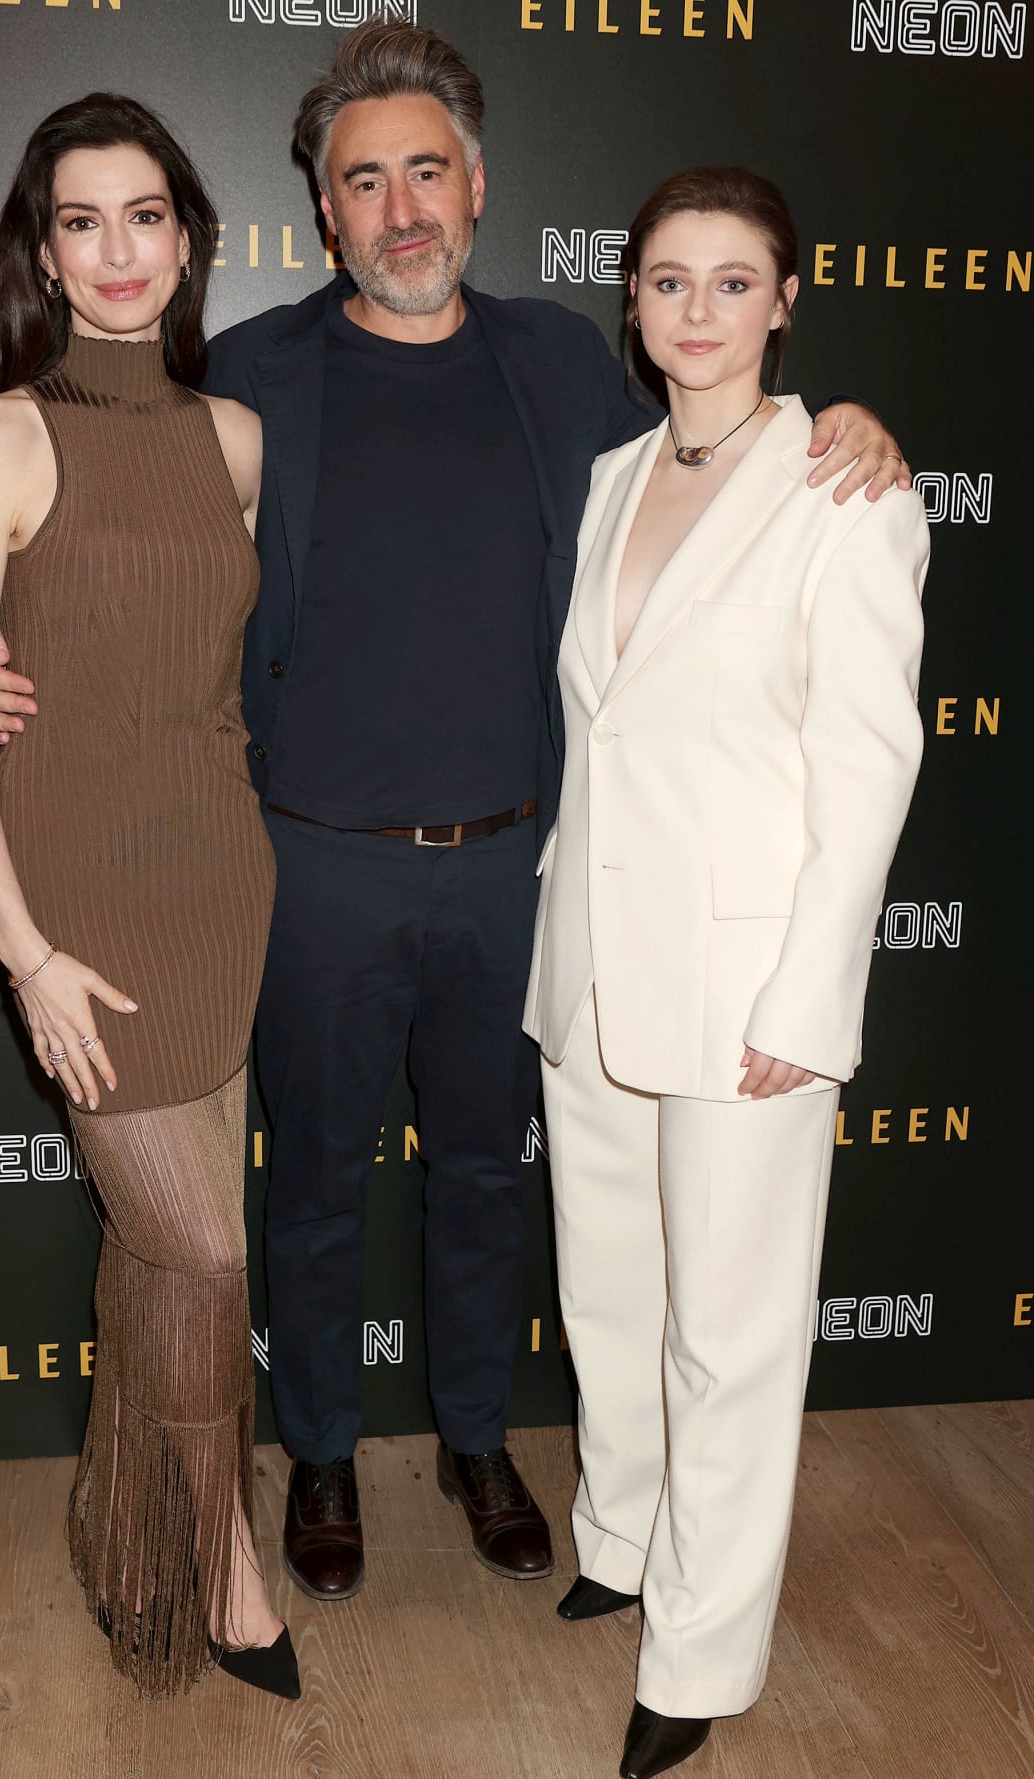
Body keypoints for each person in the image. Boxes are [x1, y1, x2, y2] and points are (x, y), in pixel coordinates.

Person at [0, 23, 909, 1606]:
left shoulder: (566, 359)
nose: (402, 208)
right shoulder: (256, 371)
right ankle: (324, 1456)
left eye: (428, 171)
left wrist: (854, 426)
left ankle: (481, 1441)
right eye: (365, 181)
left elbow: (723, 437)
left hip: (531, 869)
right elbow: (112, 506)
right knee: (316, 1179)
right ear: (322, 207)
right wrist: (9, 650)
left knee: (494, 1174)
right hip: (312, 866)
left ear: (476, 186)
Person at [524, 166, 929, 1777]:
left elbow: (870, 770)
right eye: (669, 281)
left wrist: (808, 1004)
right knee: (611, 1294)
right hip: (599, 972)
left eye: (732, 281)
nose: (698, 310)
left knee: (731, 1336)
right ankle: (619, 1540)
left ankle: (697, 1654)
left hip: (749, 990)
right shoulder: (616, 475)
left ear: (787, 299)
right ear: (634, 301)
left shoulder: (849, 492)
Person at [0, 94, 299, 1701]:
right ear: (46, 253)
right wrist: (29, 959)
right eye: (84, 222)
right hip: (77, 912)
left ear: (189, 237)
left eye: (146, 215)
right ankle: (219, 1554)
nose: (120, 250)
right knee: (205, 1256)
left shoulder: (233, 438)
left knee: (158, 1261)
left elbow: (189, 677)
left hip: (222, 879)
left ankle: (116, 1518)